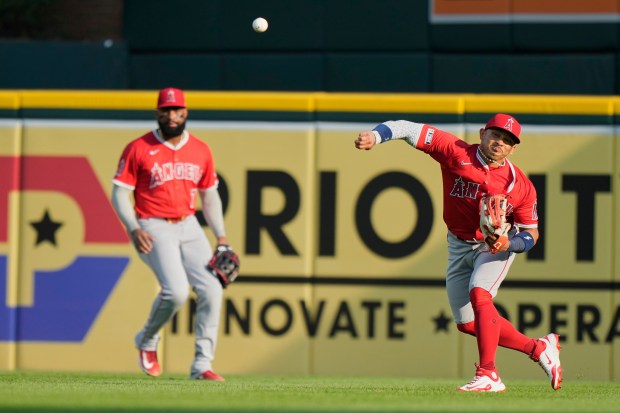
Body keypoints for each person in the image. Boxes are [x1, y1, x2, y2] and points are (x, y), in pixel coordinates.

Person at [354, 114, 562, 392]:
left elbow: (531, 233)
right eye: (496, 135)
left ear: (514, 148)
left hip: (493, 245)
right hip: (457, 242)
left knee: (480, 293)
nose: (500, 142)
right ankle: (538, 349)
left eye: (508, 140)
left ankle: (489, 374)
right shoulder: (455, 151)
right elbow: (406, 128)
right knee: (468, 324)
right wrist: (375, 136)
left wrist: (509, 244)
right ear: (482, 133)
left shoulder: (519, 184)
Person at [111, 87, 230, 381]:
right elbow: (119, 193)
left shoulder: (201, 149)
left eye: (177, 110)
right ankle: (147, 340)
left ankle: (202, 365)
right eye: (166, 111)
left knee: (212, 289)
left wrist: (222, 237)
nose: (172, 116)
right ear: (157, 114)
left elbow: (210, 196)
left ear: (186, 113)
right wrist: (133, 227)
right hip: (151, 224)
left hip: (189, 223)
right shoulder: (138, 147)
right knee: (175, 292)